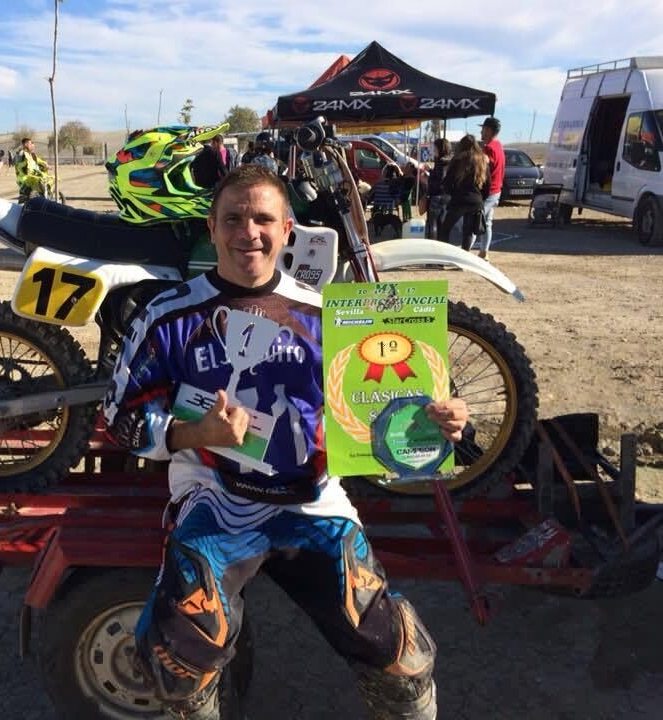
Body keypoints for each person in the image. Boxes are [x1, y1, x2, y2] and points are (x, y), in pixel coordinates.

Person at [104, 164, 468, 720]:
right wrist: (194, 434)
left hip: (311, 499)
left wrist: (439, 423)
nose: (248, 232)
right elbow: (120, 418)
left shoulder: (332, 317)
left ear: (287, 230)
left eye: (263, 219)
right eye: (233, 218)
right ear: (211, 227)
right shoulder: (167, 315)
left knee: (398, 652)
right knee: (179, 655)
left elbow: (390, 413)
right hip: (216, 499)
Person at [437, 134, 488, 250]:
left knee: (445, 229)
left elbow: (448, 181)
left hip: (459, 200)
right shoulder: (482, 160)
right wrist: (481, 198)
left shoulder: (457, 160)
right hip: (475, 201)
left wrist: (451, 193)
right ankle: (465, 257)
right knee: (468, 232)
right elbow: (487, 183)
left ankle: (443, 255)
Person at [477, 117, 505, 259]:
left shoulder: (489, 148)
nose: (481, 132)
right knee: (487, 222)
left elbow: (484, 169)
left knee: (476, 220)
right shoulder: (498, 145)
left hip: (488, 191)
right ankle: (484, 252)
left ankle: (466, 251)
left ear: (488, 130)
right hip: (496, 190)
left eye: (483, 129)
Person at [423, 138, 452, 239]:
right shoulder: (449, 161)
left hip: (437, 195)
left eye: (435, 148)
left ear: (440, 149)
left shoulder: (440, 161)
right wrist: (431, 171)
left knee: (433, 223)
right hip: (446, 196)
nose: (433, 150)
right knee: (442, 223)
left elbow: (439, 179)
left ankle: (433, 243)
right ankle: (442, 243)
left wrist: (428, 176)